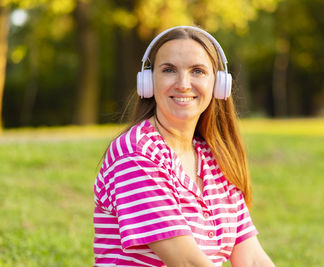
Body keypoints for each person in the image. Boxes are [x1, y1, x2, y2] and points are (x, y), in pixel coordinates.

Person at [93, 26, 275, 267]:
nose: (183, 84)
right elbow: (187, 263)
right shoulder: (135, 154)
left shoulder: (213, 159)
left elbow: (251, 259)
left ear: (218, 84)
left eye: (197, 71)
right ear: (148, 81)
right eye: (168, 70)